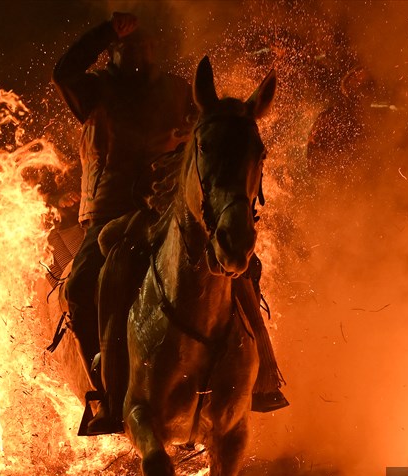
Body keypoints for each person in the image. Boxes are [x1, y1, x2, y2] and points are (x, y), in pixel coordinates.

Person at [54, 12, 287, 434]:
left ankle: (263, 373)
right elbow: (64, 71)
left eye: (144, 45)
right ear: (113, 51)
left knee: (239, 267)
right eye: (128, 45)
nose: (138, 52)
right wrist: (106, 30)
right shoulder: (94, 91)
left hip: (167, 207)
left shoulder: (177, 91)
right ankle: (105, 392)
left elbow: (206, 142)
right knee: (80, 284)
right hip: (108, 213)